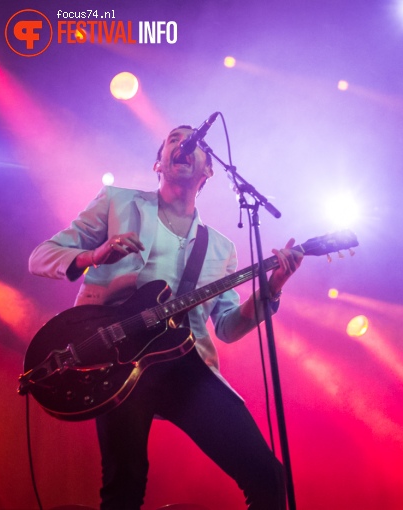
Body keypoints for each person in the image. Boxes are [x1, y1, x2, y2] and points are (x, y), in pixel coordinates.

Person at [28, 124, 303, 509]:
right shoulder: (117, 203)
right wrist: (94, 255)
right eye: (174, 139)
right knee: (125, 489)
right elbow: (41, 256)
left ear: (208, 172)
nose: (183, 144)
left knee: (268, 476)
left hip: (184, 366)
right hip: (118, 360)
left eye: (195, 143)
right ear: (158, 163)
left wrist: (271, 288)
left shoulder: (221, 249)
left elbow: (225, 327)